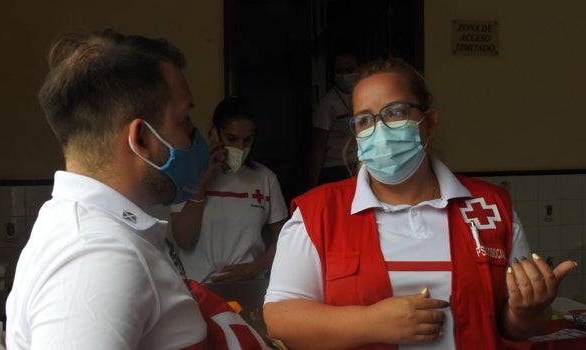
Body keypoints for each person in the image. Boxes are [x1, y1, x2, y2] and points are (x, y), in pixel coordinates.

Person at [263, 57, 577, 349]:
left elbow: (515, 327)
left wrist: (528, 310)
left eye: (395, 112)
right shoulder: (320, 213)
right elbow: (280, 319)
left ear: (429, 123)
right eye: (364, 120)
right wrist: (370, 323)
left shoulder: (490, 207)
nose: (380, 130)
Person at [5, 29, 211, 349]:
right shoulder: (96, 257)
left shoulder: (104, 235)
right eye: (184, 119)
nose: (194, 137)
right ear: (142, 138)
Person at [169, 96, 288, 283]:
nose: (240, 147)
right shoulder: (189, 175)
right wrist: (203, 181)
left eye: (247, 140)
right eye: (231, 139)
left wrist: (255, 267)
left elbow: (284, 238)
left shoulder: (266, 178)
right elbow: (184, 240)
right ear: (214, 134)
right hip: (198, 287)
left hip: (248, 285)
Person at [308, 45, 360, 188]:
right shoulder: (327, 104)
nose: (344, 76)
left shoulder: (365, 96)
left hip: (360, 165)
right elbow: (318, 146)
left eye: (349, 70)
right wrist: (313, 185)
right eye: (339, 71)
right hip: (335, 169)